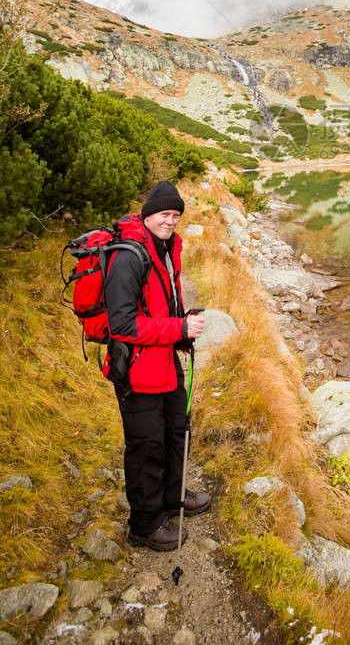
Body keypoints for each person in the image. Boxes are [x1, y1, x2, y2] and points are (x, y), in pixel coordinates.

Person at [104, 179, 211, 550]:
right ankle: (145, 525)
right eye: (165, 214)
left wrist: (180, 333)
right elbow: (121, 323)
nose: (171, 221)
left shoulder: (163, 248)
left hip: (163, 360)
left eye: (177, 215)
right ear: (148, 214)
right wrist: (177, 327)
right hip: (135, 369)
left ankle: (173, 496)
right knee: (147, 444)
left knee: (175, 430)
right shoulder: (128, 257)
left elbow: (158, 304)